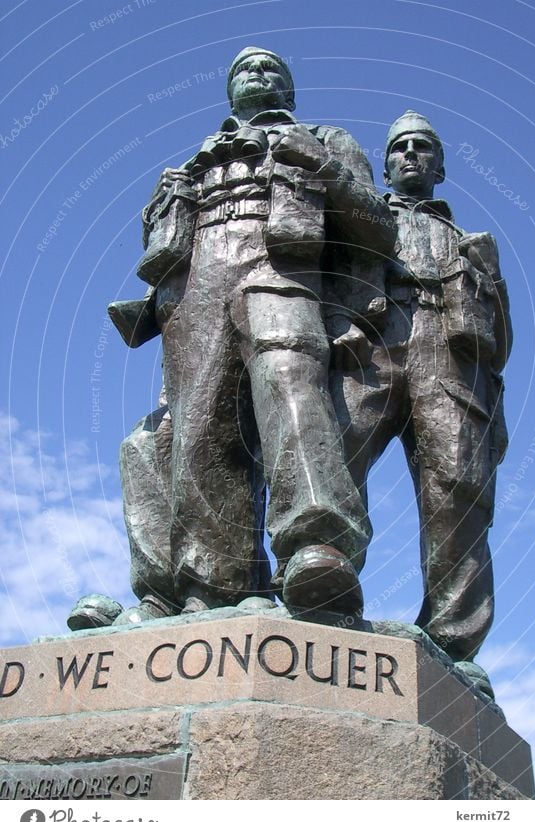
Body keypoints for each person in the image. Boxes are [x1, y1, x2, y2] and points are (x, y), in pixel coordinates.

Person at [126, 47, 396, 617]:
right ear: (229, 92)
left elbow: (378, 228)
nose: (258, 73)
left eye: (273, 67)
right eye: (244, 69)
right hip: (196, 281)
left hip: (280, 266)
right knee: (200, 423)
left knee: (290, 378)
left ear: (291, 91)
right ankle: (213, 583)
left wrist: (321, 166)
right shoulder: (195, 160)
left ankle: (316, 546)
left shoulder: (327, 137)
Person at [332, 111, 511, 677]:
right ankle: (323, 591)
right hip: (374, 337)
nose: (410, 154)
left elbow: (501, 335)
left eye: (423, 148)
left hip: (449, 352)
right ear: (385, 164)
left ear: (440, 166)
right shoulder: (363, 215)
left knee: (458, 487)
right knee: (334, 454)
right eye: (400, 148)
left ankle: (453, 643)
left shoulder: (470, 243)